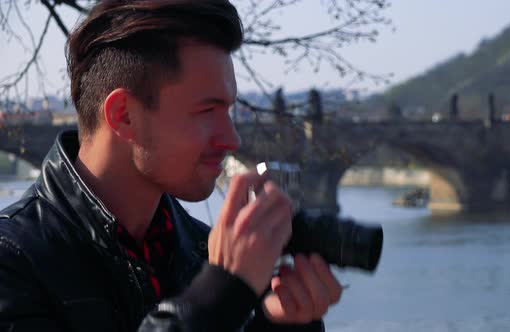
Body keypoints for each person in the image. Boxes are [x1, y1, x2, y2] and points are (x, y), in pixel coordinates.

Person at [0, 1, 342, 331]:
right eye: (207, 111)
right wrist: (218, 296)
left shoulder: (201, 250)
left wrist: (277, 325)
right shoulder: (12, 261)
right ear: (124, 116)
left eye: (229, 111)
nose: (232, 140)